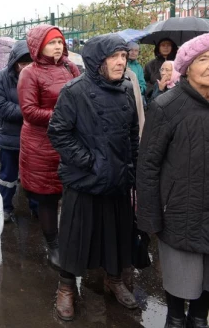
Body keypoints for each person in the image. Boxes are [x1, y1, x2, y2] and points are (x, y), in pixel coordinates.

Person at [47, 34, 139, 321]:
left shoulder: (125, 89)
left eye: (123, 56)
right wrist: (89, 161)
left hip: (117, 180)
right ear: (98, 60)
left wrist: (131, 166)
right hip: (85, 180)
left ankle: (113, 280)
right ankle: (66, 288)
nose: (121, 62)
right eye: (114, 57)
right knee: (76, 238)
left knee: (116, 234)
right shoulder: (74, 91)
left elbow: (132, 133)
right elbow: (58, 132)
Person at [137, 32, 209, 328]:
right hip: (180, 209)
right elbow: (148, 165)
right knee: (182, 277)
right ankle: (176, 318)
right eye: (204, 59)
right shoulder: (167, 106)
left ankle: (200, 318)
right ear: (187, 66)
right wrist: (149, 217)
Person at [17, 24, 80, 269]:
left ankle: (68, 239)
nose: (58, 46)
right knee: (47, 197)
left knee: (70, 193)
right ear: (39, 46)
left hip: (69, 143)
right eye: (52, 42)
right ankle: (52, 245)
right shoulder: (29, 73)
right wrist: (62, 115)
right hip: (40, 145)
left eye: (60, 42)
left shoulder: (70, 67)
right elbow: (29, 111)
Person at [0, 40, 38, 222]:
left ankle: (36, 207)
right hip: (10, 139)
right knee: (7, 177)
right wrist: (31, 111)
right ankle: (6, 207)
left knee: (33, 177)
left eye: (30, 63)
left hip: (34, 140)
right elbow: (0, 107)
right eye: (23, 63)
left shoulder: (39, 77)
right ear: (14, 62)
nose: (26, 67)